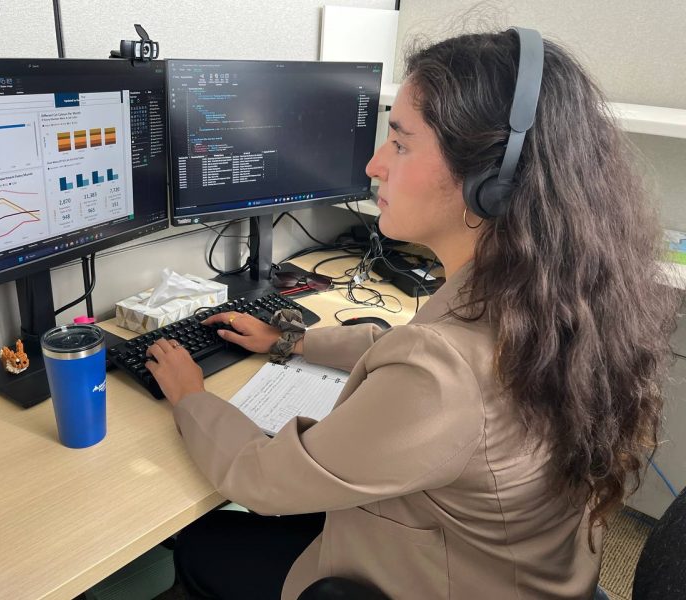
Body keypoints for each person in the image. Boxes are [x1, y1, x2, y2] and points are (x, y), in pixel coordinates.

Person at [145, 28, 680, 600]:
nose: (374, 164)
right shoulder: (556, 298)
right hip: (528, 576)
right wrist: (293, 341)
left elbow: (263, 479)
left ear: (491, 182)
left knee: (206, 541)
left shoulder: (444, 375)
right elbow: (400, 341)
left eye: (400, 143)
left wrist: (191, 396)